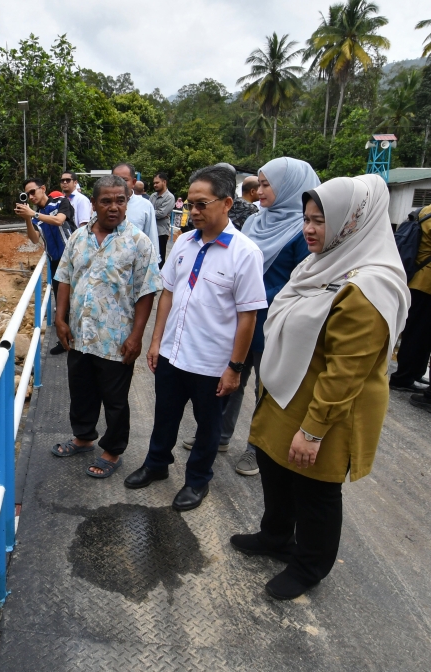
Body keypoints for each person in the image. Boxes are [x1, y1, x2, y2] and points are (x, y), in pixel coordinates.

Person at [231, 174, 409, 600]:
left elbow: (345, 372)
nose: (309, 229)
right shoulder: (319, 264)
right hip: (287, 392)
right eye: (307, 218)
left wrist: (312, 432)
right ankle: (275, 536)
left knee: (314, 488)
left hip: (327, 408)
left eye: (321, 221)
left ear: (353, 222)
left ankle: (310, 565)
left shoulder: (369, 287)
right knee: (275, 468)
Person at [124, 165, 267, 511]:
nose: (195, 211)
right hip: (174, 353)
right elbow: (168, 295)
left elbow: (248, 317)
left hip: (213, 362)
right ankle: (156, 464)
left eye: (202, 204)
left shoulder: (245, 253)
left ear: (227, 203)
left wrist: (235, 367)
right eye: (191, 204)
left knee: (208, 427)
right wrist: (157, 342)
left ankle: (197, 481)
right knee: (165, 415)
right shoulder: (184, 242)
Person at [181, 158, 318, 476]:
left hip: (277, 323)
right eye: (259, 183)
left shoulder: (303, 231)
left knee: (266, 387)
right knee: (232, 379)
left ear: (290, 188)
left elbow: (303, 283)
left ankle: (256, 448)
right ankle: (220, 436)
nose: (259, 190)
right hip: (243, 317)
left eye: (267, 184)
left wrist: (264, 301)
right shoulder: (257, 222)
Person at [49, 175, 162, 478]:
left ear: (127, 202)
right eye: (107, 201)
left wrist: (137, 337)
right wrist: (60, 320)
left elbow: (146, 291)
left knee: (114, 399)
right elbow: (64, 279)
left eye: (120, 200)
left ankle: (112, 450)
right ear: (95, 204)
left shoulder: (139, 242)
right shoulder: (78, 237)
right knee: (81, 389)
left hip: (116, 338)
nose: (114, 207)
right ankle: (84, 437)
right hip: (79, 334)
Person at [16, 177, 76, 355]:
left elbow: (59, 221)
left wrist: (33, 214)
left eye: (33, 192)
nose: (31, 197)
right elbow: (34, 239)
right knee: (61, 302)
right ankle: (64, 341)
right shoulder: (35, 216)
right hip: (55, 261)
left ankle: (83, 338)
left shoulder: (61, 202)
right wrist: (27, 218)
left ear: (43, 188)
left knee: (79, 298)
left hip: (73, 257)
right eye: (27, 195)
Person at [389, 203, 431, 396]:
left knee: (421, 335)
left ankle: (413, 372)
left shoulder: (426, 210)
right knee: (417, 335)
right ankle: (403, 377)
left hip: (420, 281)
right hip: (424, 285)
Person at [112, 163, 160, 265]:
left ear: (133, 182)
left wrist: (154, 264)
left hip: (135, 266)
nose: (119, 184)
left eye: (124, 180)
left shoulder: (145, 205)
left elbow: (152, 238)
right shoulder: (102, 205)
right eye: (115, 179)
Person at [150, 172, 175, 268]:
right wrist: (155, 213)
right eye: (154, 183)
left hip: (161, 231)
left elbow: (162, 214)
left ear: (164, 182)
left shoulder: (169, 197)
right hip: (151, 230)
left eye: (157, 182)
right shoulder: (153, 196)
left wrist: (152, 212)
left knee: (159, 256)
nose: (155, 185)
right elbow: (150, 211)